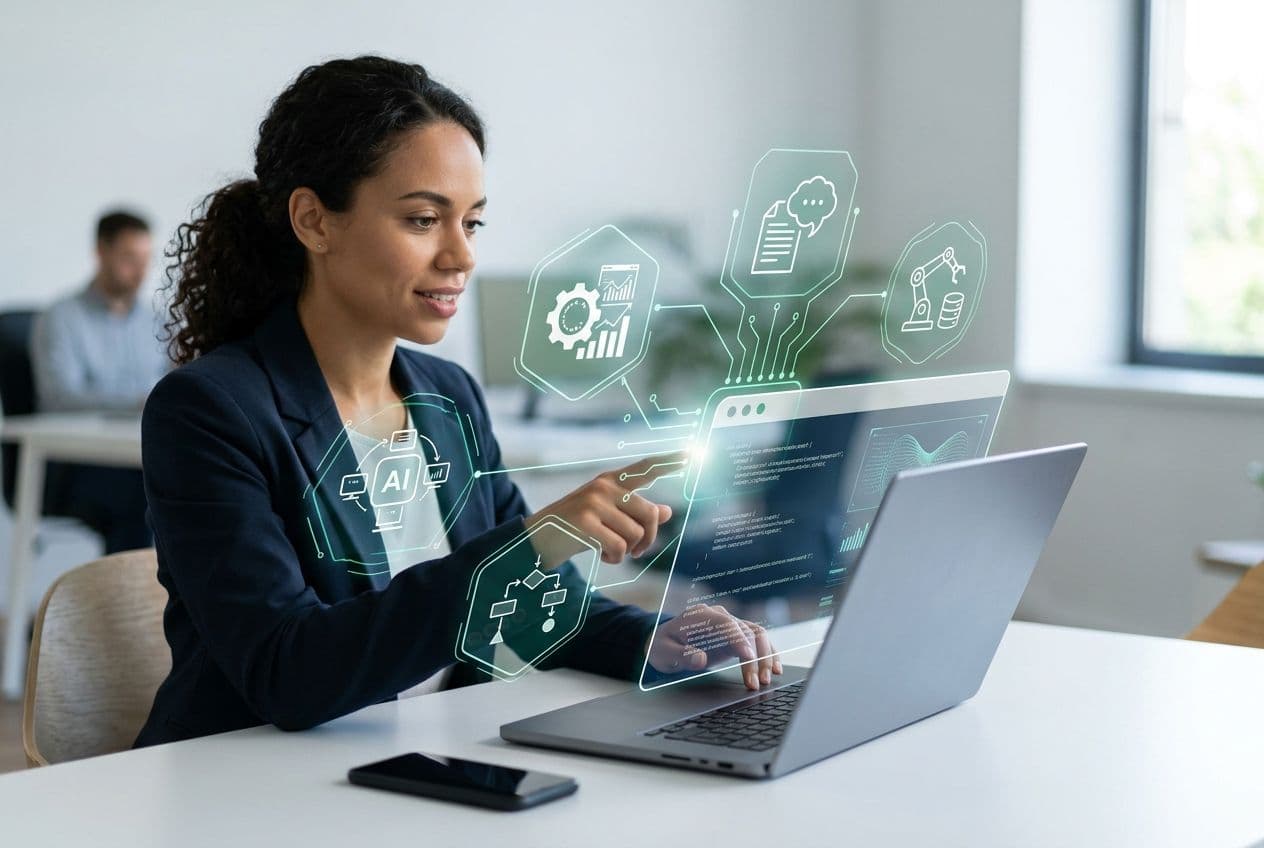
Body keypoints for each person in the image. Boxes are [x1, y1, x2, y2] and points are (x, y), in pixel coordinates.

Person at [134, 56, 779, 747]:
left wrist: (663, 641)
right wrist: (527, 546)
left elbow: (526, 608)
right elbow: (288, 673)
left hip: (428, 759)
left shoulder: (448, 397)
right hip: (248, 786)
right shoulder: (209, 411)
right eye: (421, 220)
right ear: (314, 221)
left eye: (471, 224)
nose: (460, 257)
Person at [29, 209, 168, 553]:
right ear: (101, 252)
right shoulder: (61, 317)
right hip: (77, 465)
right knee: (145, 492)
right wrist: (139, 401)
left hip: (141, 454)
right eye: (128, 258)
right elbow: (60, 398)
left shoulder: (157, 321)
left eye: (145, 259)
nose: (140, 271)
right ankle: (128, 605)